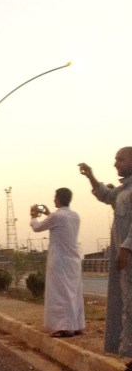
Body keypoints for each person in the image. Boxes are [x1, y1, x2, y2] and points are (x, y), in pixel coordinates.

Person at [80, 147, 132, 356]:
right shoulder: (123, 191)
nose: (115, 164)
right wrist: (91, 176)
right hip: (124, 263)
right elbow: (105, 195)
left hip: (128, 256)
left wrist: (126, 247)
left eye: (121, 159)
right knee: (125, 306)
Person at [29, 188, 85, 337]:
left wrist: (34, 216)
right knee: (74, 293)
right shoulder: (75, 216)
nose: (54, 200)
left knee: (61, 294)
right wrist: (49, 214)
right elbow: (59, 223)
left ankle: (64, 327)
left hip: (60, 260)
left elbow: (37, 227)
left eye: (55, 197)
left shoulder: (57, 216)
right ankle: (77, 325)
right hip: (73, 260)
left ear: (59, 199)